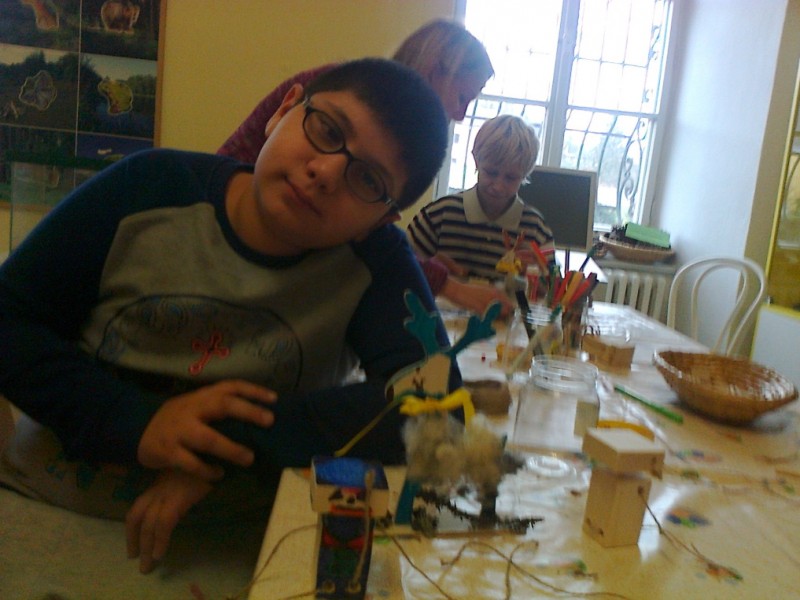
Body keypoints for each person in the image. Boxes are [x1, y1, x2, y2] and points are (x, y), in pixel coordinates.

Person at [0, 58, 457, 574]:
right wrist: (138, 422)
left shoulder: (375, 262)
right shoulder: (148, 187)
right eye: (328, 130)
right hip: (49, 510)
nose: (326, 172)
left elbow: (436, 406)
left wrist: (227, 443)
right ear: (283, 111)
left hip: (236, 546)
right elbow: (9, 319)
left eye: (368, 179)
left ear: (381, 219)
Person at [218, 18, 514, 317]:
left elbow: (367, 233)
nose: (461, 115)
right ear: (438, 71)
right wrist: (449, 286)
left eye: (369, 180)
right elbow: (373, 244)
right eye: (462, 98)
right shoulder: (341, 90)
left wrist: (425, 267)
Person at [407, 114, 556, 284]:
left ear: (525, 175)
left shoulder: (536, 230)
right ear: (476, 161)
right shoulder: (439, 215)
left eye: (511, 178)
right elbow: (400, 266)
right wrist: (427, 267)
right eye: (491, 173)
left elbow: (553, 289)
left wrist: (535, 275)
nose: (498, 186)